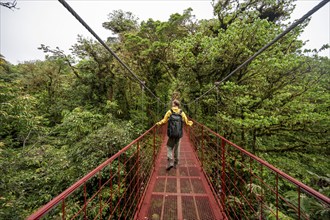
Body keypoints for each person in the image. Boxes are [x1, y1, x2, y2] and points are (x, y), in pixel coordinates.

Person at [156, 99, 193, 170]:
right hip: (179, 134)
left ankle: (170, 161)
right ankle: (176, 163)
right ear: (178, 105)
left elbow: (164, 121)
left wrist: (158, 123)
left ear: (173, 104)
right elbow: (186, 122)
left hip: (171, 133)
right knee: (177, 148)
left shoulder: (170, 111)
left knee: (169, 147)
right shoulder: (181, 112)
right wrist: (191, 123)